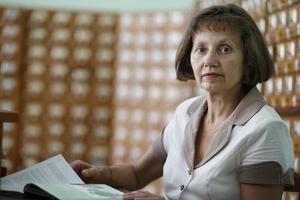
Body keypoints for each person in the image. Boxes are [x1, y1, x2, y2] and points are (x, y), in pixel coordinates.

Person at [71, 4, 294, 200]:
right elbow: (137, 174)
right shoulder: (185, 112)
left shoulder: (265, 129)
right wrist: (98, 174)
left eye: (224, 49)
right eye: (201, 49)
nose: (209, 60)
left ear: (248, 60)